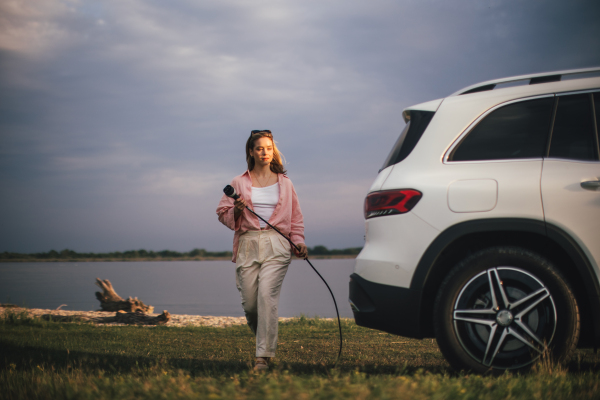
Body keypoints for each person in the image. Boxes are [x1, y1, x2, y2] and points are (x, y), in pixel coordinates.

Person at [216, 130, 308, 372]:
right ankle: (265, 340)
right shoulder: (238, 182)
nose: (265, 152)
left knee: (267, 297)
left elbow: (295, 217)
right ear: (251, 152)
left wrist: (298, 240)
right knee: (250, 304)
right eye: (259, 148)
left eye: (269, 147)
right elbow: (222, 214)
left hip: (278, 244)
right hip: (247, 243)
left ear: (273, 151)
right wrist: (236, 210)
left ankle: (262, 359)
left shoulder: (286, 183)